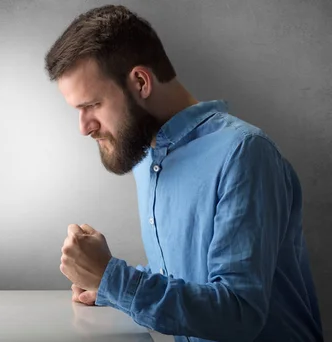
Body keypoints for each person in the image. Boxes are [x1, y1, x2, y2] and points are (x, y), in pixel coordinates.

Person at [46, 5, 322, 342]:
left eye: (91, 105)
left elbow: (240, 313)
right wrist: (106, 287)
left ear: (140, 82)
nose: (84, 128)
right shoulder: (147, 159)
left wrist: (111, 277)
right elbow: (189, 277)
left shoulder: (245, 153)